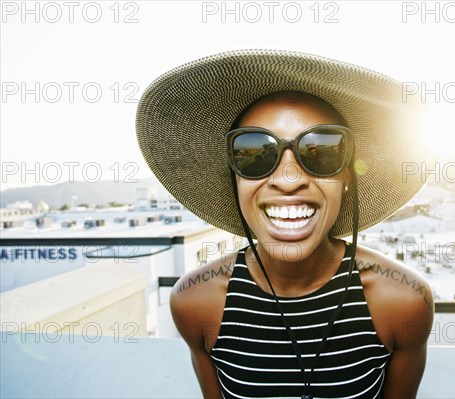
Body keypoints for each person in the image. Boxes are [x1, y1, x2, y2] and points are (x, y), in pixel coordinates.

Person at [136, 50, 435, 399]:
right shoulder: (196, 303)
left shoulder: (402, 302)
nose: (289, 179)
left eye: (322, 150)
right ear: (234, 178)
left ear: (347, 176)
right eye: (255, 152)